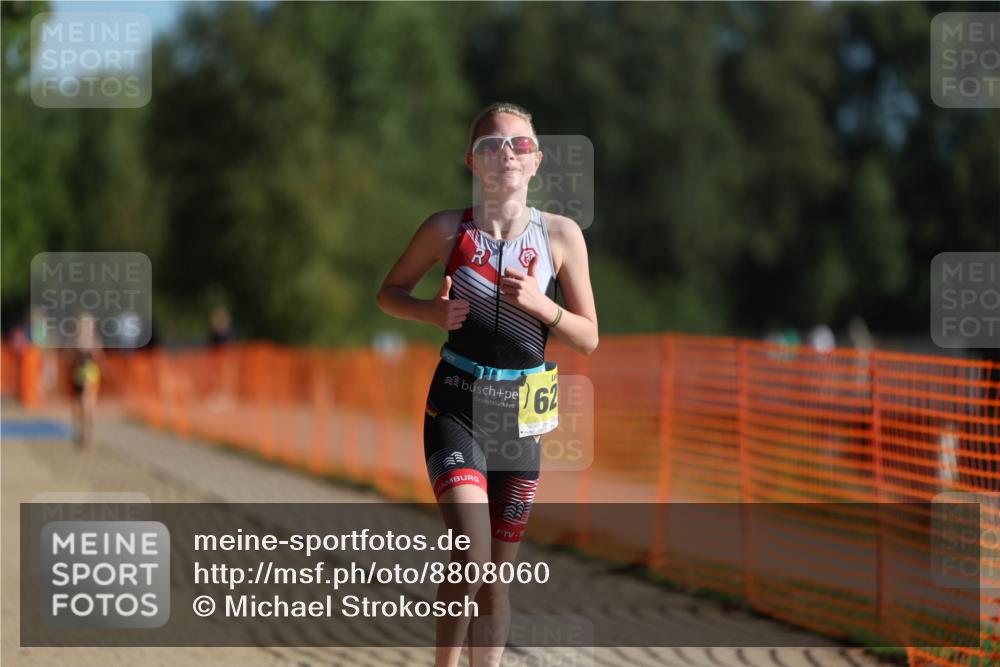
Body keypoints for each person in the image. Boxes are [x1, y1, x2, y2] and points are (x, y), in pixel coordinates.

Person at [376, 102, 598, 667]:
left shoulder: (562, 235)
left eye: (519, 145)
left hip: (523, 411)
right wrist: (430, 314)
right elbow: (388, 293)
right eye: (492, 146)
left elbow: (589, 336)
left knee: (497, 579)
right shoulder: (447, 229)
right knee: (470, 556)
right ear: (473, 163)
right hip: (459, 400)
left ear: (537, 161)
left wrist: (544, 307)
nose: (507, 155)